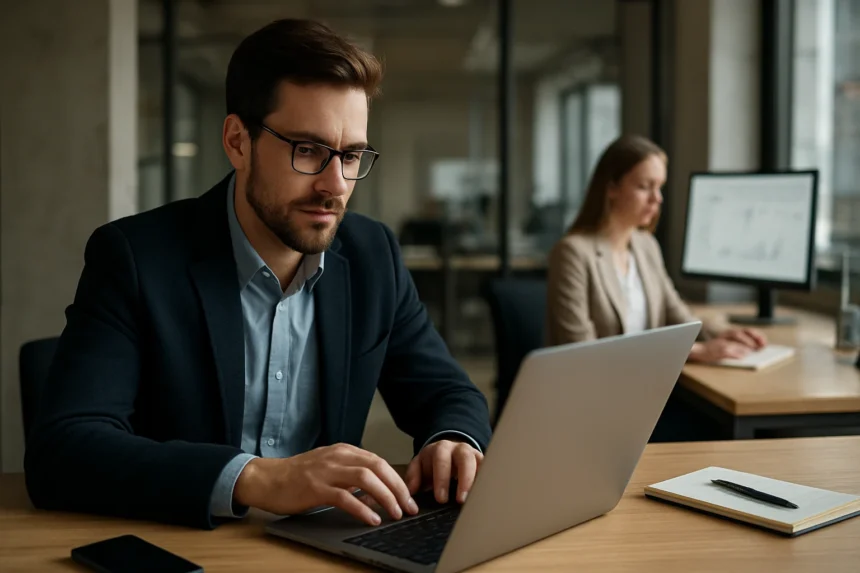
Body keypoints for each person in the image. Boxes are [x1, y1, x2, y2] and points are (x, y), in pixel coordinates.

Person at [24, 19, 491, 530]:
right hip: (183, 545)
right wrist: (257, 478)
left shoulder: (372, 255)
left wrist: (453, 440)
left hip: (324, 546)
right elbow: (63, 450)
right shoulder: (136, 258)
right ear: (237, 142)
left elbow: (449, 394)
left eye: (352, 155)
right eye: (307, 150)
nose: (336, 185)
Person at [546, 134, 767, 362]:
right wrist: (696, 351)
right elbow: (582, 350)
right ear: (611, 188)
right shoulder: (572, 253)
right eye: (644, 186)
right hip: (598, 382)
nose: (657, 198)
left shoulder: (646, 245)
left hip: (649, 376)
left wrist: (724, 333)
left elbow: (675, 313)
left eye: (659, 187)